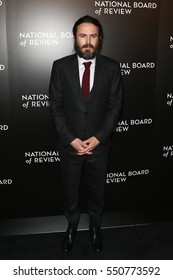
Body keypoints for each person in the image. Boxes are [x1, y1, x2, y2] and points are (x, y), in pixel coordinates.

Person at [49, 15, 123, 253]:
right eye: (83, 35)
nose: (88, 41)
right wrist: (71, 139)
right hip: (69, 146)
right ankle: (71, 228)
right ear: (75, 38)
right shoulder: (60, 66)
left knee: (97, 194)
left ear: (99, 39)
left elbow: (114, 107)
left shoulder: (112, 67)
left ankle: (95, 229)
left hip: (99, 147)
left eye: (93, 35)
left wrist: (99, 137)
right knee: (70, 195)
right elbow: (55, 107)